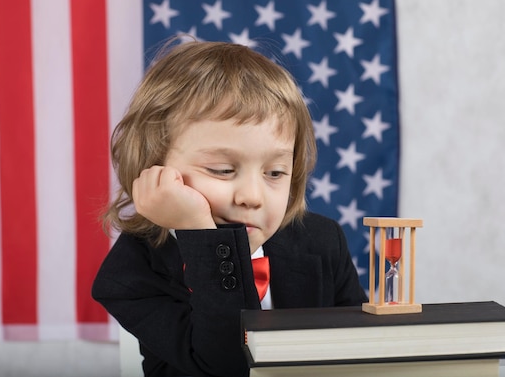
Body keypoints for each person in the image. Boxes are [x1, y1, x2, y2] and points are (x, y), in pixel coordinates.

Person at [92, 41, 367, 377]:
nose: (252, 196)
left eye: (275, 173)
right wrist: (200, 233)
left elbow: (359, 354)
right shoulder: (130, 274)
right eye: (222, 170)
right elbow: (226, 366)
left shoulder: (323, 242)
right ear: (154, 167)